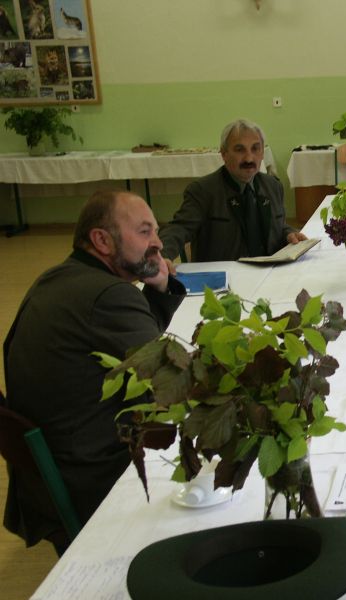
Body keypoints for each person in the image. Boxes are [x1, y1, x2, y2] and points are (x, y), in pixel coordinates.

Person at [3, 190, 186, 552]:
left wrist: (160, 288)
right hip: (93, 475)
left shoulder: (58, 278)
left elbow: (134, 347)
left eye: (156, 231)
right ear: (102, 240)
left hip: (50, 473)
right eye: (144, 232)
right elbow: (171, 379)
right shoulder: (108, 296)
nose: (158, 243)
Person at [158, 118, 306, 264]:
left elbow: (278, 226)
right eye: (239, 150)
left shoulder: (273, 186)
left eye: (255, 149)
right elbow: (178, 229)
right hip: (224, 277)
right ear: (224, 154)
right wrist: (161, 256)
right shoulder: (203, 191)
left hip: (270, 272)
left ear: (262, 153)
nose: (249, 158)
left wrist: (288, 233)